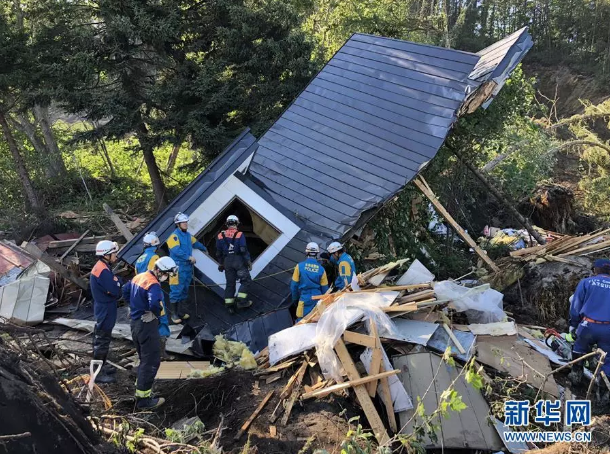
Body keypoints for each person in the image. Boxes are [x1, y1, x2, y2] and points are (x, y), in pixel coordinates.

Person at [122, 256, 178, 410]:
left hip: (135, 324)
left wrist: (132, 308)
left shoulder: (139, 276)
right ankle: (143, 400)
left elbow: (125, 290)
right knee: (151, 361)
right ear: (159, 270)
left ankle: (141, 386)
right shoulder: (153, 284)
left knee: (143, 358)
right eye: (166, 274)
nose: (166, 278)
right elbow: (155, 303)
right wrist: (156, 314)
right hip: (147, 325)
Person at [568, 258, 610, 386]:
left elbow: (575, 306)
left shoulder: (586, 282)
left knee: (579, 349)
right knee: (607, 360)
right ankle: (602, 394)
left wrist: (573, 324)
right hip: (608, 329)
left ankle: (576, 379)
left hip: (588, 325)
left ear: (596, 269)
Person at [135, 232, 171, 360]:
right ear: (155, 244)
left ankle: (146, 352)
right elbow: (154, 275)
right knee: (162, 320)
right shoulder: (154, 257)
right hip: (153, 291)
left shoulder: (139, 259)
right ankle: (162, 353)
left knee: (146, 321)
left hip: (140, 293)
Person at [90, 240, 122, 384]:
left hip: (104, 306)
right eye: (114, 253)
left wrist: (117, 281)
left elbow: (115, 282)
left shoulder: (102, 267)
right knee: (102, 339)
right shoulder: (102, 270)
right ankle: (97, 372)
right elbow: (115, 289)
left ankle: (101, 365)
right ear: (107, 254)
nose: (116, 255)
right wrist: (118, 283)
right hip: (105, 308)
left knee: (103, 337)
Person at [167, 212, 207, 324]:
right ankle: (174, 314)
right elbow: (176, 250)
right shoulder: (173, 236)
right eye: (182, 222)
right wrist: (189, 257)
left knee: (184, 290)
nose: (185, 224)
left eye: (185, 222)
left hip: (187, 268)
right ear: (178, 224)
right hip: (176, 268)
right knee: (176, 290)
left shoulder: (188, 236)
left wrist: (204, 248)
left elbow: (196, 243)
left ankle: (180, 312)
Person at [216, 215, 252, 313]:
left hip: (227, 262)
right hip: (238, 261)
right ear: (237, 223)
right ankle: (241, 301)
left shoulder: (220, 236)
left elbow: (219, 253)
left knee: (230, 284)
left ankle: (229, 306)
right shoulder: (239, 234)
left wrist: (221, 264)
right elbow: (243, 249)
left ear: (227, 224)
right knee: (246, 281)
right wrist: (248, 261)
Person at [291, 242, 329, 320]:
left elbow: (293, 286)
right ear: (317, 254)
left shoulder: (299, 266)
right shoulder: (321, 269)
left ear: (306, 252)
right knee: (315, 322)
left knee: (301, 323)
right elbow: (325, 289)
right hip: (317, 300)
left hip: (304, 300)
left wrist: (295, 300)